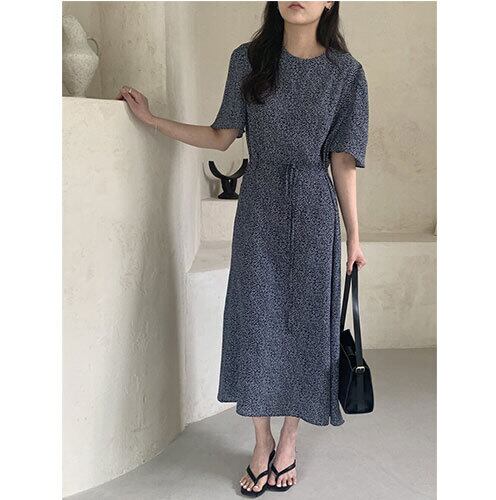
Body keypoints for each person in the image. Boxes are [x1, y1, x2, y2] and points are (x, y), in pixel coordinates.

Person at [117, 1, 368, 496]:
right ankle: (260, 441)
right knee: (254, 323)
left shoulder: (347, 73)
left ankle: (289, 440)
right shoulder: (248, 60)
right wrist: (153, 120)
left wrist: (354, 235)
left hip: (315, 212)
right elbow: (222, 136)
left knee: (306, 329)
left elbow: (343, 160)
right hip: (260, 207)